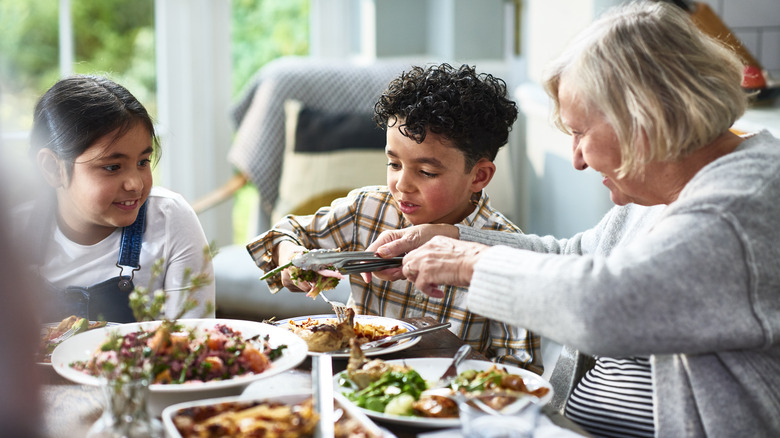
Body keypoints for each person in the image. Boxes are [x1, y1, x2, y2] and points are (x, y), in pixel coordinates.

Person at [364, 2, 780, 437]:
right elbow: (576, 257)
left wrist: (467, 262)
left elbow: (606, 305)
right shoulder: (665, 190)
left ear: (646, 122)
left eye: (581, 132)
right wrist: (450, 236)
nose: (577, 160)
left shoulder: (743, 205)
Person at [247, 63, 541, 371]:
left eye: (427, 172)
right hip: (353, 382)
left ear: (479, 175)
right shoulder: (367, 210)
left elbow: (520, 368)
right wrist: (294, 259)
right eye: (393, 164)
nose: (401, 185)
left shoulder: (509, 253)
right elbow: (283, 233)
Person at [19, 75, 215, 323]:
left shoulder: (170, 219)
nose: (135, 184)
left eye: (143, 162)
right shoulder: (13, 232)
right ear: (52, 168)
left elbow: (194, 342)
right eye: (112, 167)